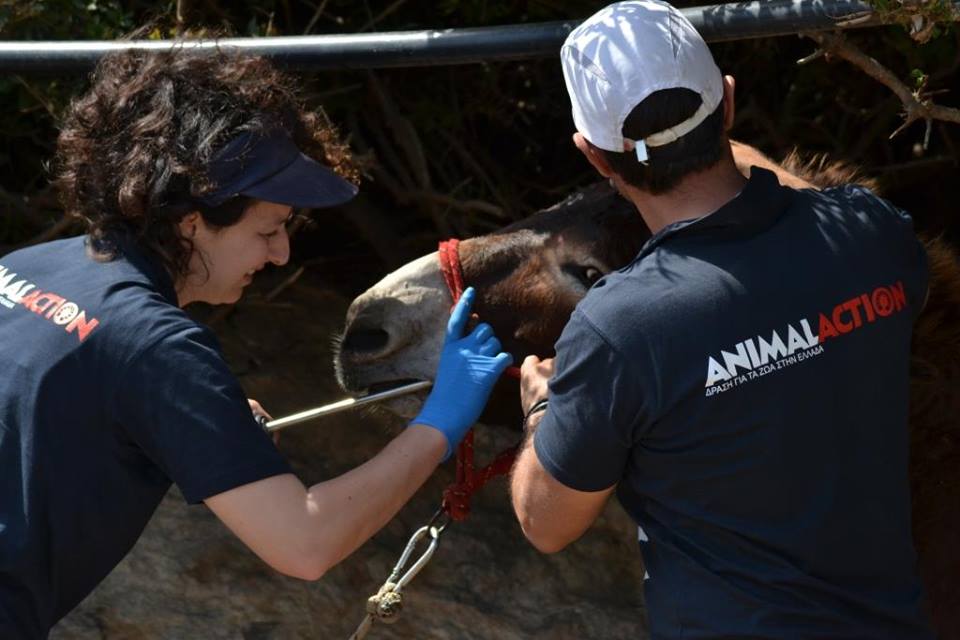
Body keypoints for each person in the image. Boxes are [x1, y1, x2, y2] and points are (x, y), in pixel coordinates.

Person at [0, 45, 511, 639]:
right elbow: (305, 543)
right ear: (191, 221)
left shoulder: (26, 266)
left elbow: (43, 395)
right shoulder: (158, 348)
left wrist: (180, 421)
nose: (281, 254)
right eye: (267, 230)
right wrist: (439, 424)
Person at [510, 1, 934, 638]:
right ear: (729, 104)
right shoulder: (870, 235)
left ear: (594, 157)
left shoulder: (621, 326)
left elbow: (545, 523)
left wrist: (543, 409)